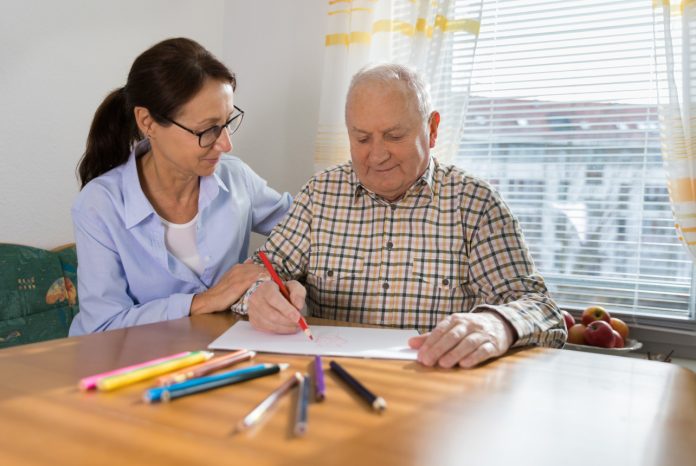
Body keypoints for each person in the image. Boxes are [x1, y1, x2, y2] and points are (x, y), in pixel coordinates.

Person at [232, 63, 566, 368]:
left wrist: (498, 324)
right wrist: (259, 297)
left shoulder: (475, 204)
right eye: (362, 138)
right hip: (332, 382)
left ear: (432, 130)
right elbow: (261, 272)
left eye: (394, 136)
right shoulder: (320, 195)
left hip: (432, 392)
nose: (376, 155)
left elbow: (542, 309)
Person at [69, 38, 292, 336]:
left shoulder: (237, 178)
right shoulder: (99, 204)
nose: (226, 144)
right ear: (147, 122)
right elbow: (103, 326)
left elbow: (306, 227)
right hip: (123, 368)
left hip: (213, 358)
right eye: (208, 129)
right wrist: (204, 301)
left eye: (227, 122)